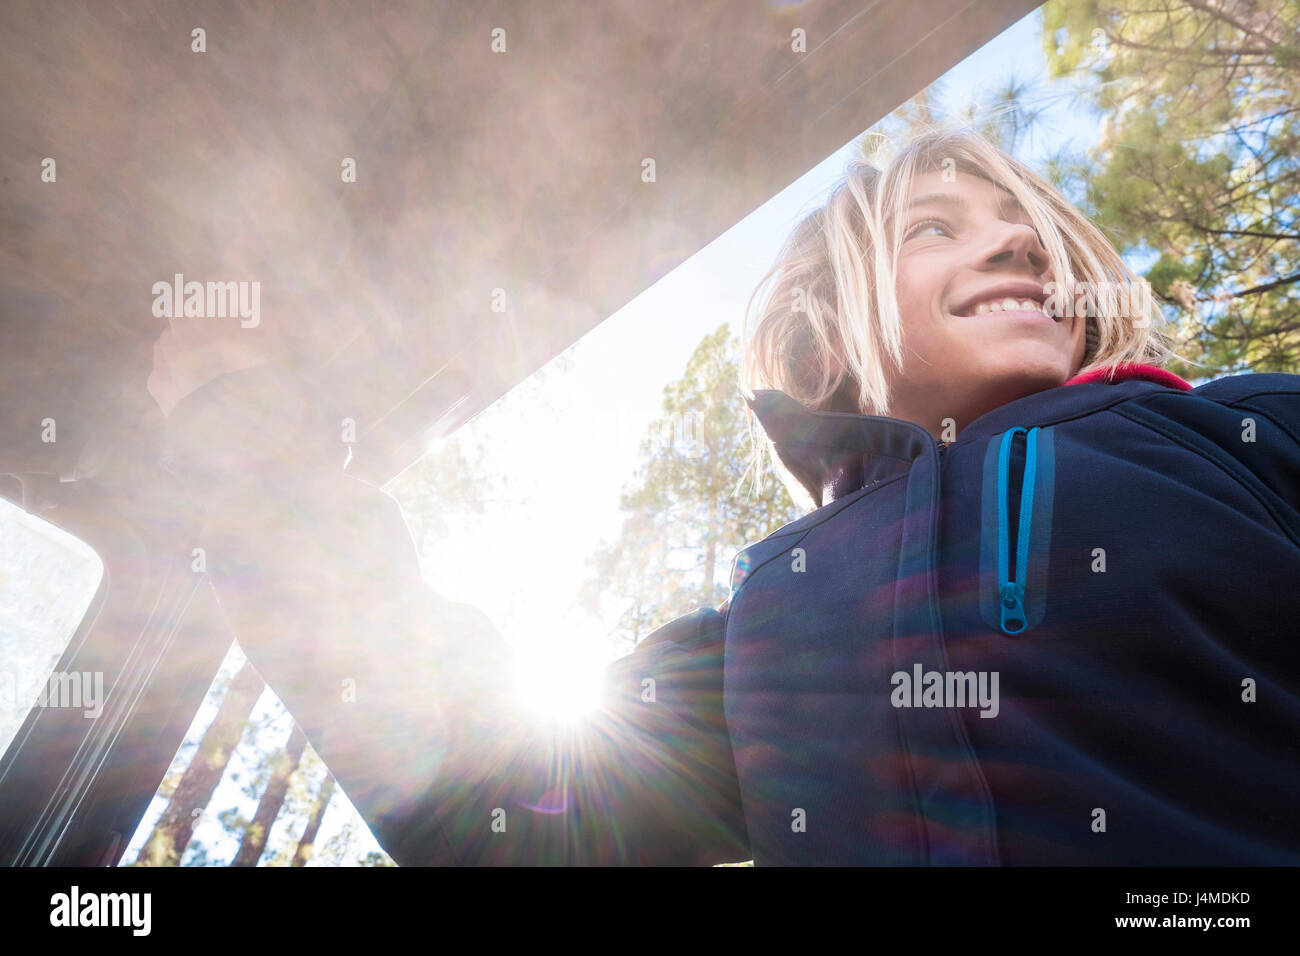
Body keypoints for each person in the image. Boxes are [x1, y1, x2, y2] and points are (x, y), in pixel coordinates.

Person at [170, 128, 1300, 865]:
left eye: (1030, 231)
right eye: (934, 228)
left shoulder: (1234, 432)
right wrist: (242, 425)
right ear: (826, 329)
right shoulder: (774, 624)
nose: (1012, 237)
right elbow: (482, 786)